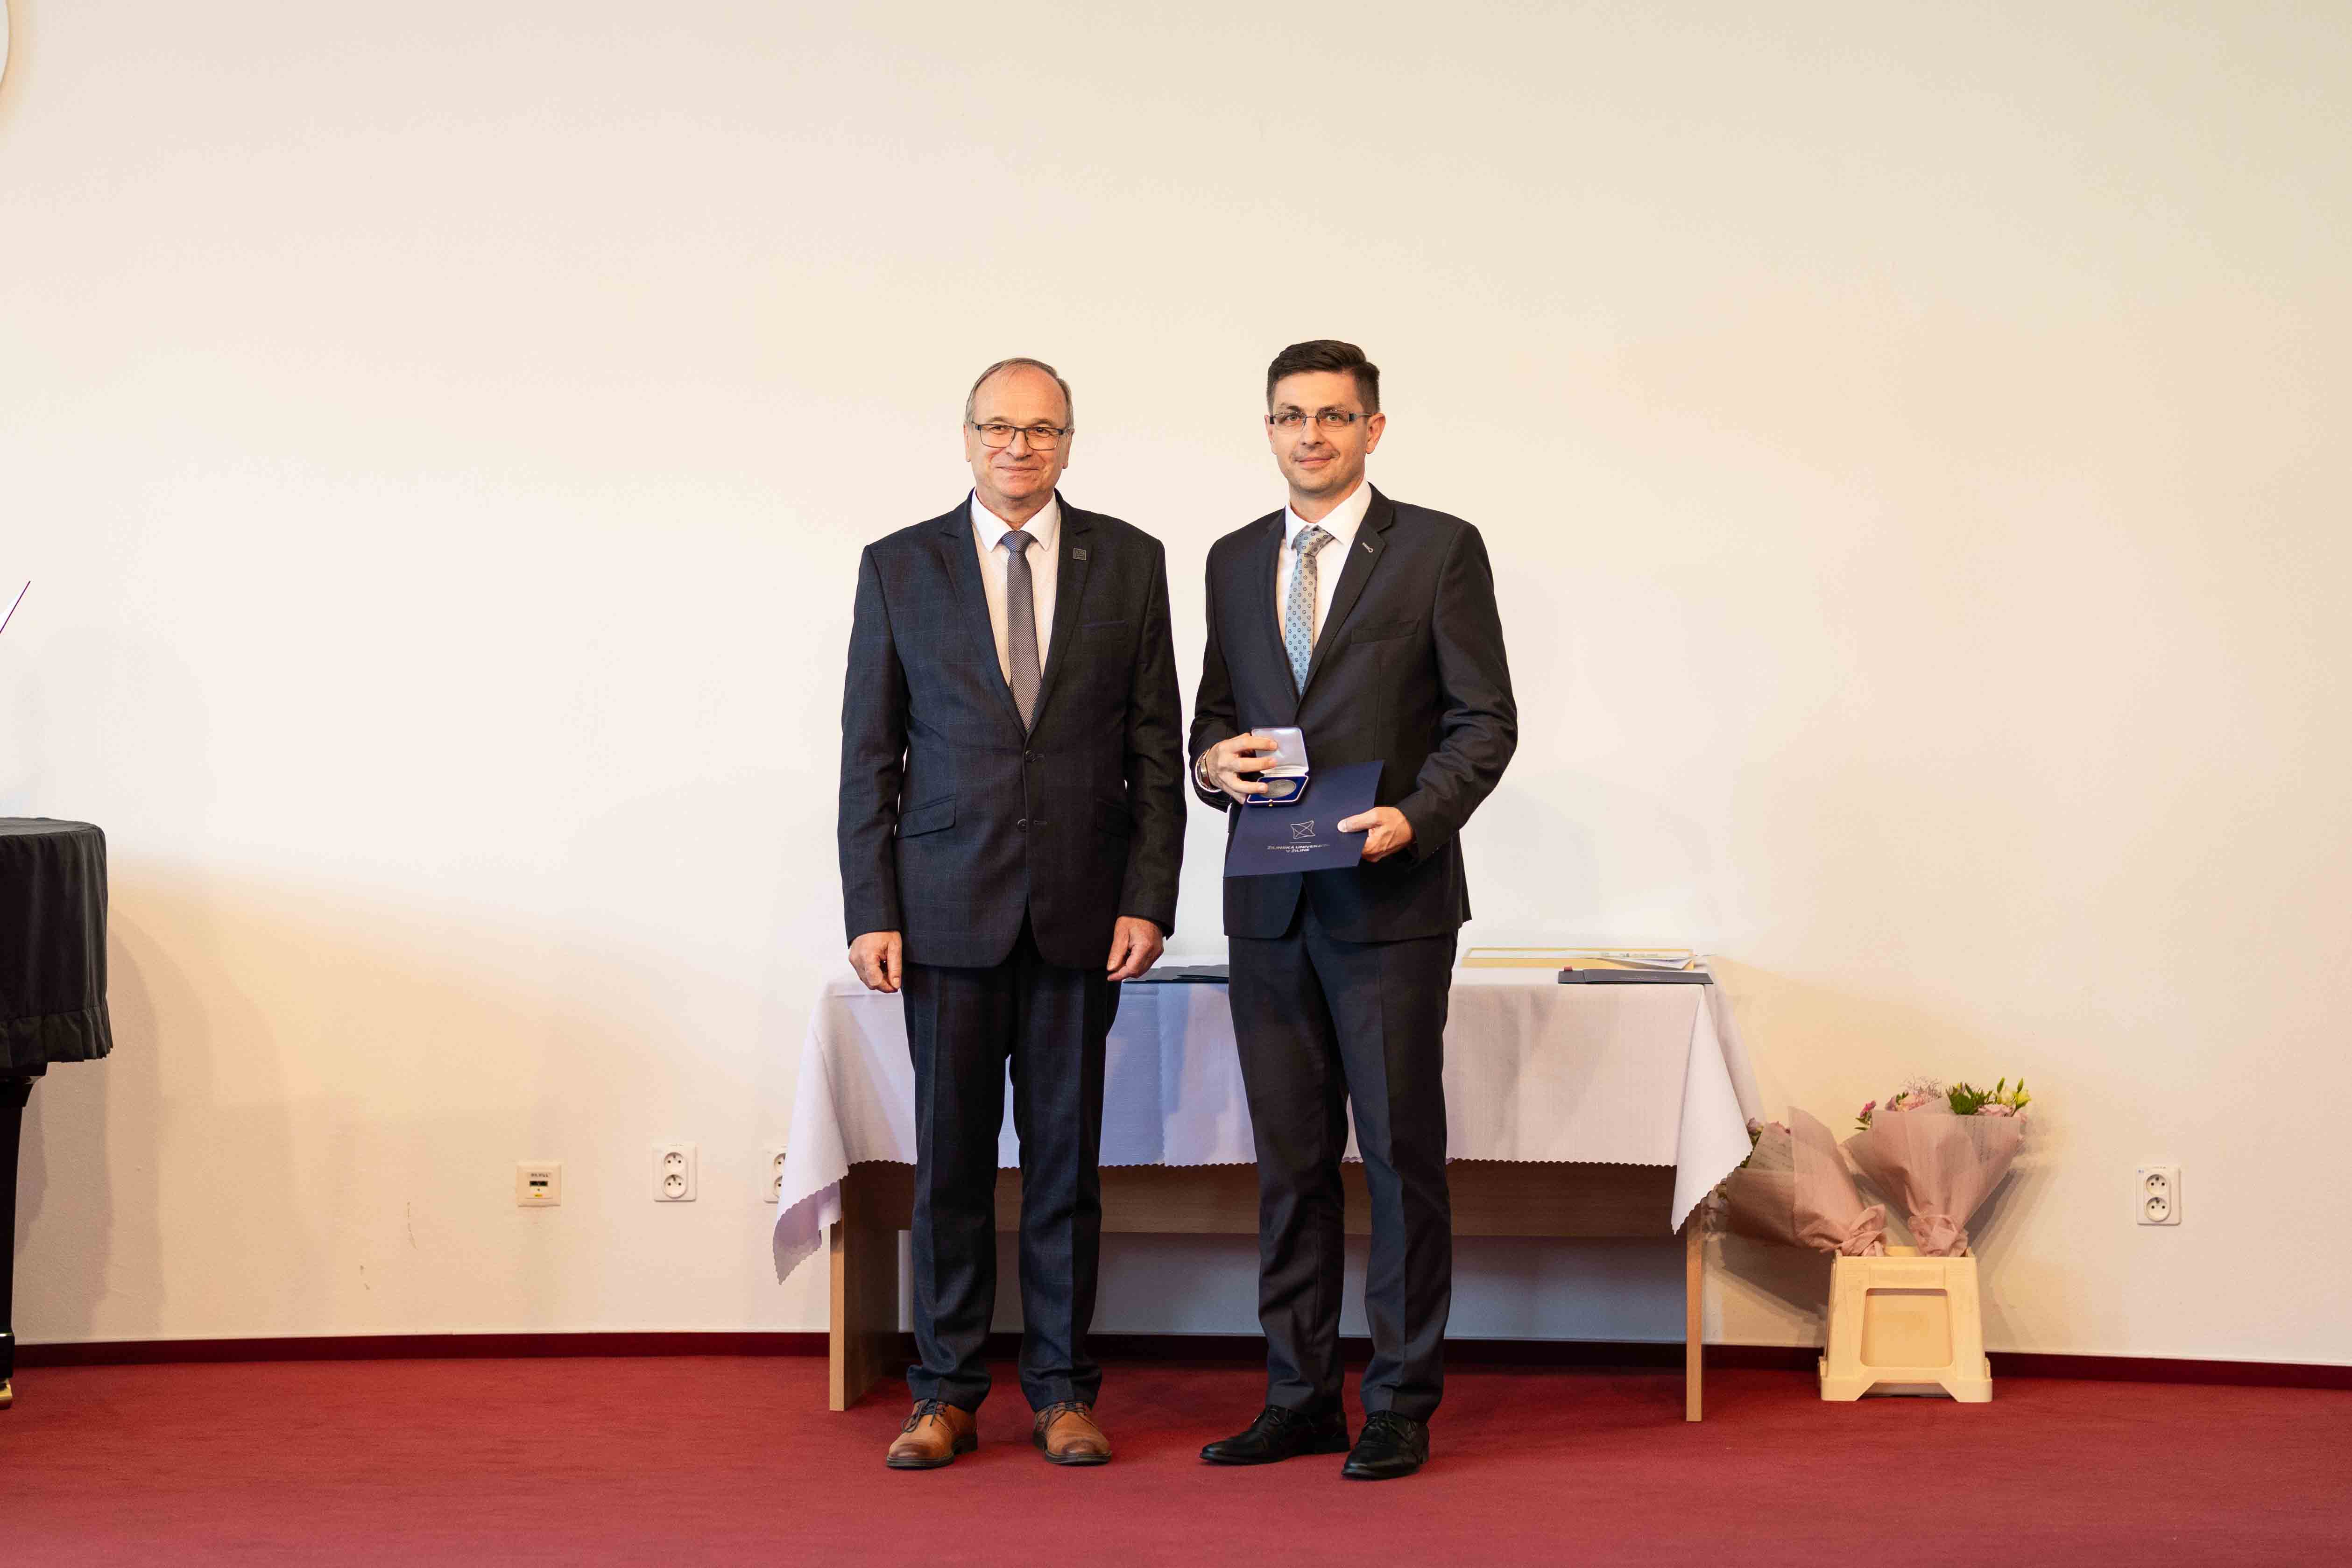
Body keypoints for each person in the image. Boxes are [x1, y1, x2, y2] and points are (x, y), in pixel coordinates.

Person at [838, 357, 1185, 1469]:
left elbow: (1153, 747)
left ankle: (1063, 1389)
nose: (1018, 446)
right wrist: (870, 905)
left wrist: (1148, 896)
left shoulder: (1129, 560)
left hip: (1082, 912)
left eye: (1041, 429)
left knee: (1063, 1169)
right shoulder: (899, 564)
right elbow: (868, 752)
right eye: (998, 426)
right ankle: (942, 1391)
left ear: (1068, 442)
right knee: (947, 1167)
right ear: (966, 436)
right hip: (941, 909)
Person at [1189, 340, 1517, 1480]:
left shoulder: (1436, 548)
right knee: (1288, 1166)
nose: (1311, 434)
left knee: (1395, 1157)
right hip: (1267, 903)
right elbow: (1214, 714)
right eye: (1291, 415)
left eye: (1333, 415)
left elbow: (1484, 721)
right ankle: (1297, 1396)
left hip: (1388, 902)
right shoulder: (1234, 558)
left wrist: (1414, 818)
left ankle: (1397, 1400)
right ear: (1268, 429)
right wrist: (1209, 764)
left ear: (1372, 429)